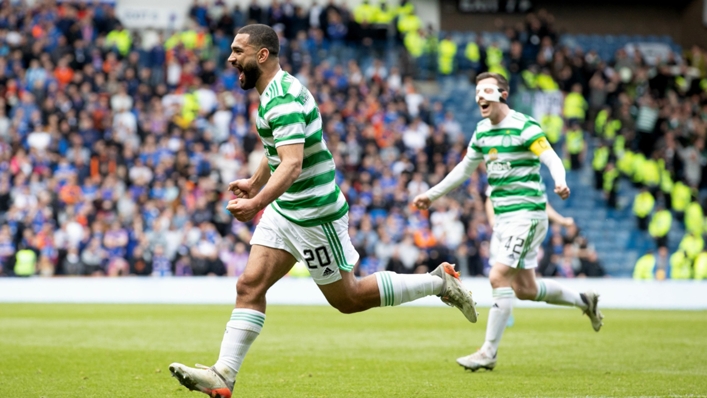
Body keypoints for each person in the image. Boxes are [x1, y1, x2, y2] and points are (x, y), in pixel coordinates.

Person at [168, 25, 478, 398]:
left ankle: (438, 282)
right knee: (249, 285)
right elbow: (279, 154)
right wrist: (254, 182)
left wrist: (255, 203)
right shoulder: (274, 92)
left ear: (262, 55)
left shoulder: (281, 99)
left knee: (348, 299)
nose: (231, 57)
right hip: (287, 210)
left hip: (315, 214)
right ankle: (224, 375)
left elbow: (293, 164)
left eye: (238, 51)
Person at [412, 72, 603, 372]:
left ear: (502, 94)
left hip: (527, 214)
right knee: (526, 288)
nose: (479, 97)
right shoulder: (481, 132)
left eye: (486, 90)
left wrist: (560, 181)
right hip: (503, 219)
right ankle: (584, 300)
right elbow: (463, 170)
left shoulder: (523, 126)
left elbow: (550, 156)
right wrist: (431, 195)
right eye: (477, 92)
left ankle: (488, 352)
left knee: (498, 277)